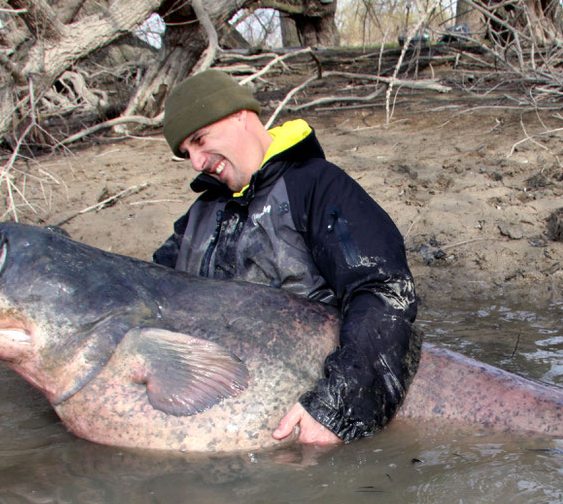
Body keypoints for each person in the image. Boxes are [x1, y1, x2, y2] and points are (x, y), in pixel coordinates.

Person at [153, 69, 421, 446]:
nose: (196, 162)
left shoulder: (318, 186)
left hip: (310, 406)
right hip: (226, 407)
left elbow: (383, 291)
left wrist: (337, 406)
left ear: (239, 117)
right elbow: (151, 294)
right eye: (187, 154)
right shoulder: (199, 216)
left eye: (200, 140)